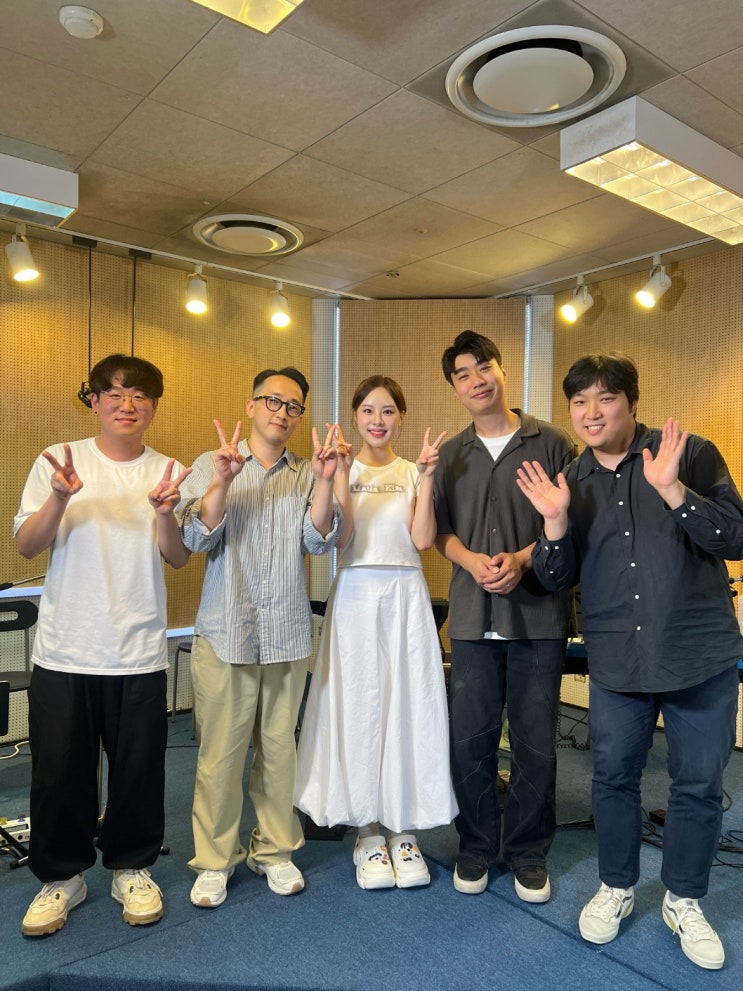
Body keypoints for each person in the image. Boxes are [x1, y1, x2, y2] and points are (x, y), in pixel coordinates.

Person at [516, 352, 743, 971]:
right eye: (579, 402)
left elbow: (736, 537)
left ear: (632, 403)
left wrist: (672, 490)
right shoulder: (570, 479)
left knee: (698, 783)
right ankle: (616, 885)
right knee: (612, 778)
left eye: (605, 398)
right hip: (618, 658)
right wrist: (554, 523)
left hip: (699, 653)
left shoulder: (689, 454)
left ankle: (684, 898)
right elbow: (555, 577)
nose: (590, 413)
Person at [14, 354, 191, 937]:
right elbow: (26, 545)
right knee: (59, 771)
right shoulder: (59, 460)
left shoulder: (169, 470)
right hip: (66, 647)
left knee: (139, 771)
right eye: (113, 393)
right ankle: (62, 877)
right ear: (93, 400)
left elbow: (177, 556)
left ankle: (131, 868)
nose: (126, 404)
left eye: (139, 395)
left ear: (154, 406)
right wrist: (60, 498)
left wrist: (165, 513)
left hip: (138, 648)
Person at [178, 367, 342, 909]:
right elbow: (196, 537)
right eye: (272, 400)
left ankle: (274, 850)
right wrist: (223, 482)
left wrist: (325, 481)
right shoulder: (212, 462)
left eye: (293, 406)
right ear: (251, 406)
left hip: (287, 634)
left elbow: (318, 541)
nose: (282, 412)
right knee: (220, 756)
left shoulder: (306, 472)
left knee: (278, 752)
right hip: (225, 633)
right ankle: (214, 861)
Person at [294, 376, 457, 889]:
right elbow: (341, 537)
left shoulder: (412, 470)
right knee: (359, 706)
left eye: (387, 411)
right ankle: (366, 831)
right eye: (368, 410)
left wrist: (427, 478)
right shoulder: (343, 466)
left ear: (400, 417)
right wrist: (341, 475)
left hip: (405, 595)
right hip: (356, 596)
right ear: (355, 416)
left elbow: (423, 540)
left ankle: (403, 830)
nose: (378, 420)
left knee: (407, 704)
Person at [434, 330, 574, 902]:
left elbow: (568, 523)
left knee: (536, 742)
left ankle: (527, 851)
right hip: (472, 617)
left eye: (483, 367)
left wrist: (521, 560)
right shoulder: (450, 454)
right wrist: (471, 560)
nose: (476, 380)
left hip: (538, 617)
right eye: (463, 374)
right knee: (470, 739)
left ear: (502, 369)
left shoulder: (553, 442)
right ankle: (474, 846)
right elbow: (439, 532)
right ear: (454, 387)